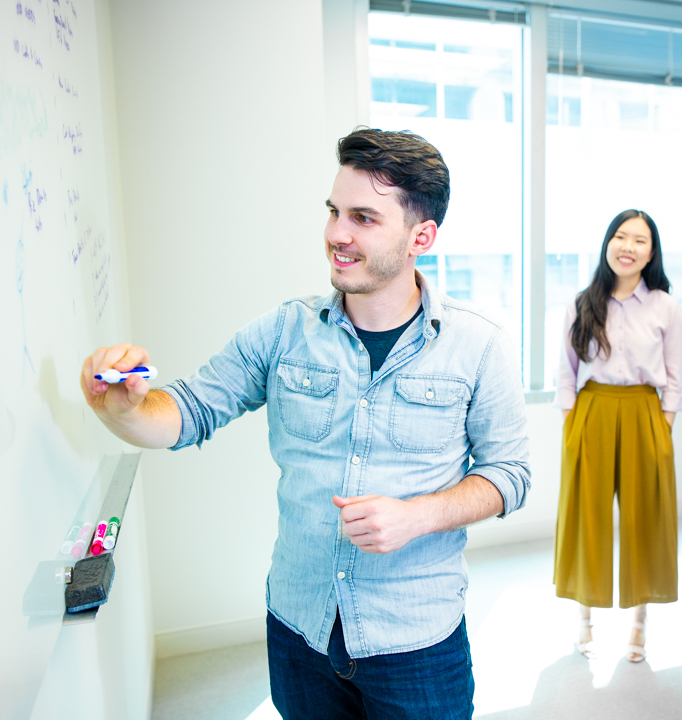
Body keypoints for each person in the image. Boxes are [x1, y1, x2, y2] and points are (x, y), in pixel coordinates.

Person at [79, 128, 530, 720]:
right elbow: (188, 409)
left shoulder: (478, 346)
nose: (337, 235)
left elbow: (511, 475)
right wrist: (128, 409)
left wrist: (419, 515)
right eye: (334, 212)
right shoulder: (283, 332)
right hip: (300, 632)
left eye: (364, 218)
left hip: (416, 641)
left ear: (421, 237)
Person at [553, 209, 682, 663]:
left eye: (640, 240)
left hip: (645, 413)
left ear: (652, 252)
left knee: (644, 518)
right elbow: (565, 372)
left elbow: (674, 375)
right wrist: (572, 425)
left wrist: (663, 424)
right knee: (586, 516)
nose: (628, 247)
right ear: (608, 243)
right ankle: (584, 622)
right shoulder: (581, 301)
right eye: (620, 237)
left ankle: (639, 625)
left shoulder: (665, 305)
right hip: (591, 410)